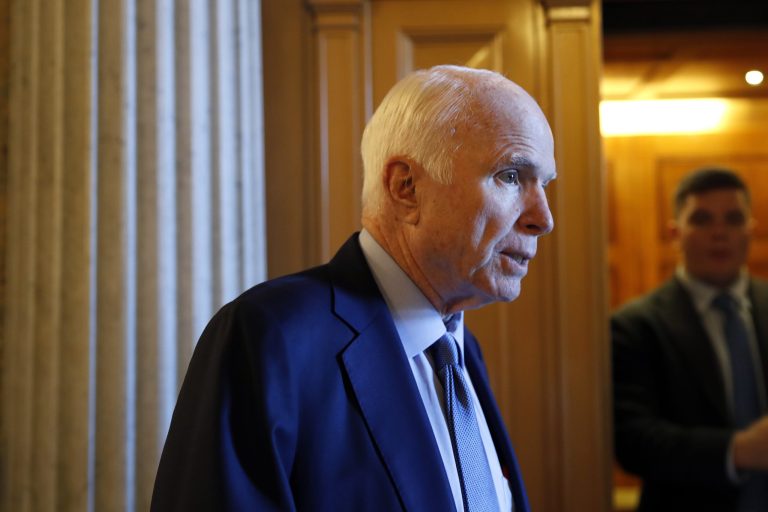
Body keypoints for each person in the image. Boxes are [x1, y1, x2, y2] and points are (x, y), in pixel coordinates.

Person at [151, 65, 556, 511]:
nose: (543, 217)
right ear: (406, 188)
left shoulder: (459, 351)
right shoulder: (268, 339)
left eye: (545, 184)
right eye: (511, 176)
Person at [612, 168, 768, 512]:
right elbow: (632, 442)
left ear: (750, 231)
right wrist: (737, 449)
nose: (719, 233)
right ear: (675, 233)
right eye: (702, 220)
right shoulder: (634, 325)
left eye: (733, 219)